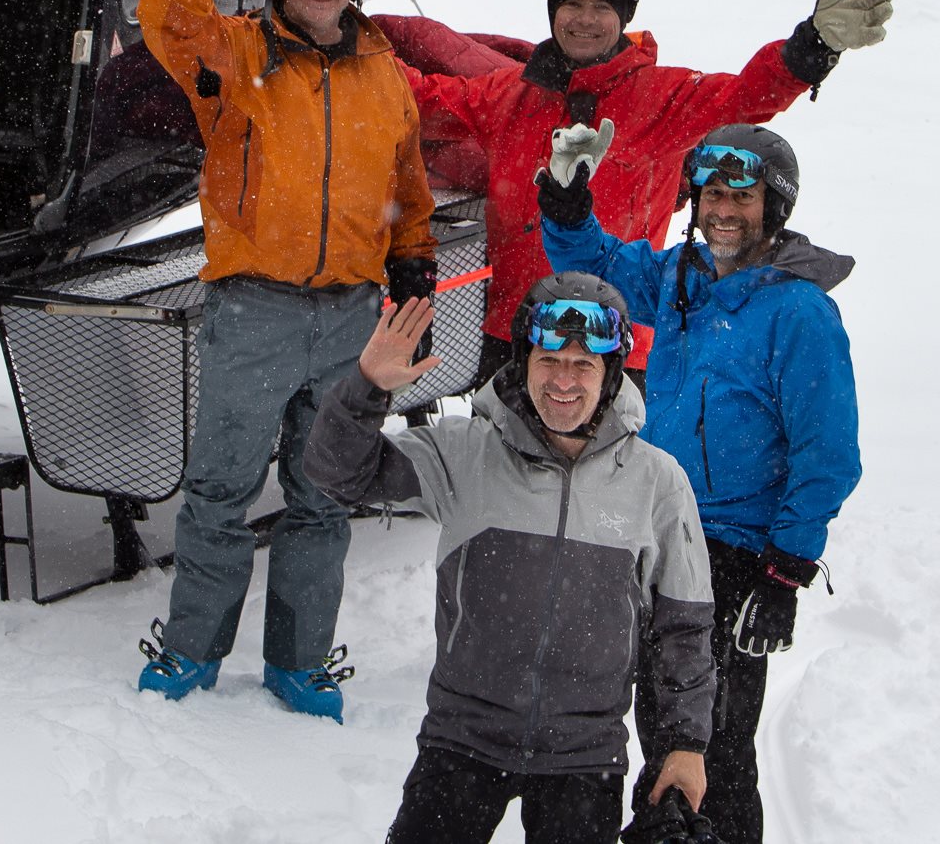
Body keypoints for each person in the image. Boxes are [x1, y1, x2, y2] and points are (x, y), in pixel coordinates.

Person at [133, 0, 437, 723]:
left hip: (350, 316)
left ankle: (300, 661)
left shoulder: (385, 75)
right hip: (254, 309)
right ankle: (191, 649)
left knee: (323, 494)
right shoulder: (235, 54)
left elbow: (407, 186)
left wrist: (412, 259)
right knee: (222, 489)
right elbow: (166, 15)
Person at [304, 275, 716, 844]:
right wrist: (367, 387)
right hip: (462, 738)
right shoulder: (463, 452)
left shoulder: (657, 482)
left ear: (612, 373)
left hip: (584, 755)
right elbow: (335, 474)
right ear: (524, 361)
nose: (563, 381)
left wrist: (684, 744)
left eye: (584, 364)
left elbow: (684, 627)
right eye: (549, 359)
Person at [540, 124, 862, 844]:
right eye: (712, 192)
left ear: (772, 205)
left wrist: (784, 571)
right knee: (660, 726)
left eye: (741, 196)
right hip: (654, 536)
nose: (723, 209)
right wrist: (565, 199)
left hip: (735, 555)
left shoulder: (799, 311)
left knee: (713, 744)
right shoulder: (684, 278)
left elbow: (828, 452)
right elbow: (599, 264)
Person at [385, 0, 891, 389]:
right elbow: (421, 100)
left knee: (610, 492)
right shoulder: (509, 96)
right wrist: (345, 45)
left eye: (601, 8)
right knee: (502, 485)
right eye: (573, 5)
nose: (585, 20)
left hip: (617, 342)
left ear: (623, 18)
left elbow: (743, 98)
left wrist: (810, 49)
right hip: (518, 334)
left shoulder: (660, 95)